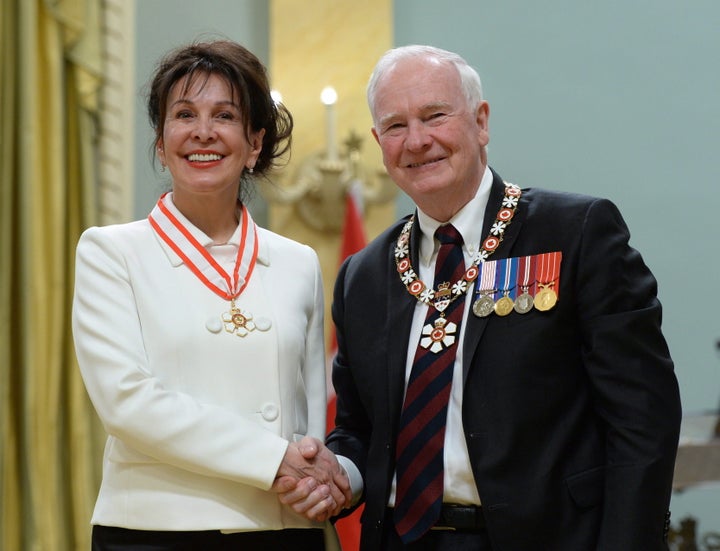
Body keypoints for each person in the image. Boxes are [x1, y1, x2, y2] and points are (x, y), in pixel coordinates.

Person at [279, 45, 682, 550]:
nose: (418, 141)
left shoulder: (573, 233)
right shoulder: (364, 275)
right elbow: (359, 429)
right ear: (379, 142)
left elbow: (642, 416)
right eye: (396, 126)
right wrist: (337, 475)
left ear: (481, 121)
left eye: (435, 116)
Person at [72, 39, 350, 550]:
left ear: (254, 144)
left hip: (280, 528)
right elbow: (127, 402)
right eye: (183, 114)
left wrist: (318, 482)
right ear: (161, 141)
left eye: (224, 115)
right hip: (155, 531)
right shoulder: (111, 253)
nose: (203, 132)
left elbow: (309, 413)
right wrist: (272, 460)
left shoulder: (298, 261)